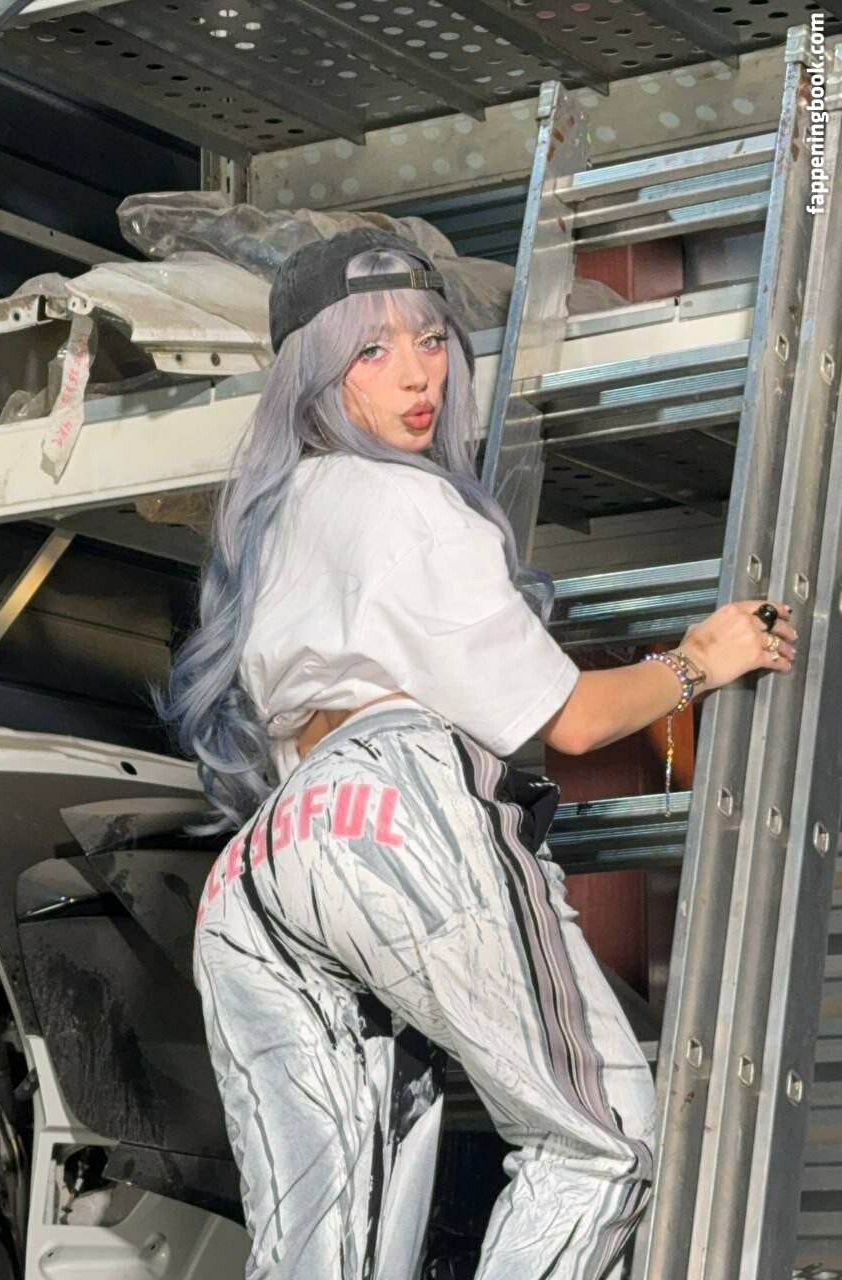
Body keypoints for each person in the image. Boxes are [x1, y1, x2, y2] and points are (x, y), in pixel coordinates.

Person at [159, 228, 798, 1280]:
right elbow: (571, 720)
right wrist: (692, 661)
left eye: (429, 339)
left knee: (325, 1247)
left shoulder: (267, 527)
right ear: (312, 377)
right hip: (396, 812)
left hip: (264, 867)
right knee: (600, 1142)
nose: (418, 374)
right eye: (371, 352)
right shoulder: (412, 502)